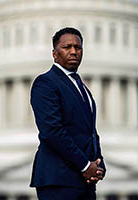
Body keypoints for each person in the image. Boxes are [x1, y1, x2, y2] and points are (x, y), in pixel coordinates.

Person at [30, 27, 106, 200]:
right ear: (54, 54)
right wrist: (86, 166)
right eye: (67, 47)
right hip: (58, 180)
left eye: (78, 47)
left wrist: (98, 164)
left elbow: (90, 132)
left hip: (84, 182)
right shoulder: (46, 83)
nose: (73, 51)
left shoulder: (82, 88)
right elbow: (52, 132)